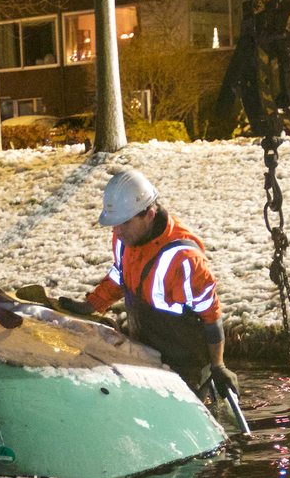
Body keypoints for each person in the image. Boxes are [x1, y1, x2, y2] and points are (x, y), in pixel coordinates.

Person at [59, 169, 238, 398]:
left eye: (123, 223)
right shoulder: (125, 237)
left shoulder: (184, 260)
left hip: (186, 367)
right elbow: (120, 274)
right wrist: (92, 305)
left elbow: (211, 317)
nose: (117, 231)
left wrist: (218, 366)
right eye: (114, 224)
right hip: (144, 353)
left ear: (149, 215)